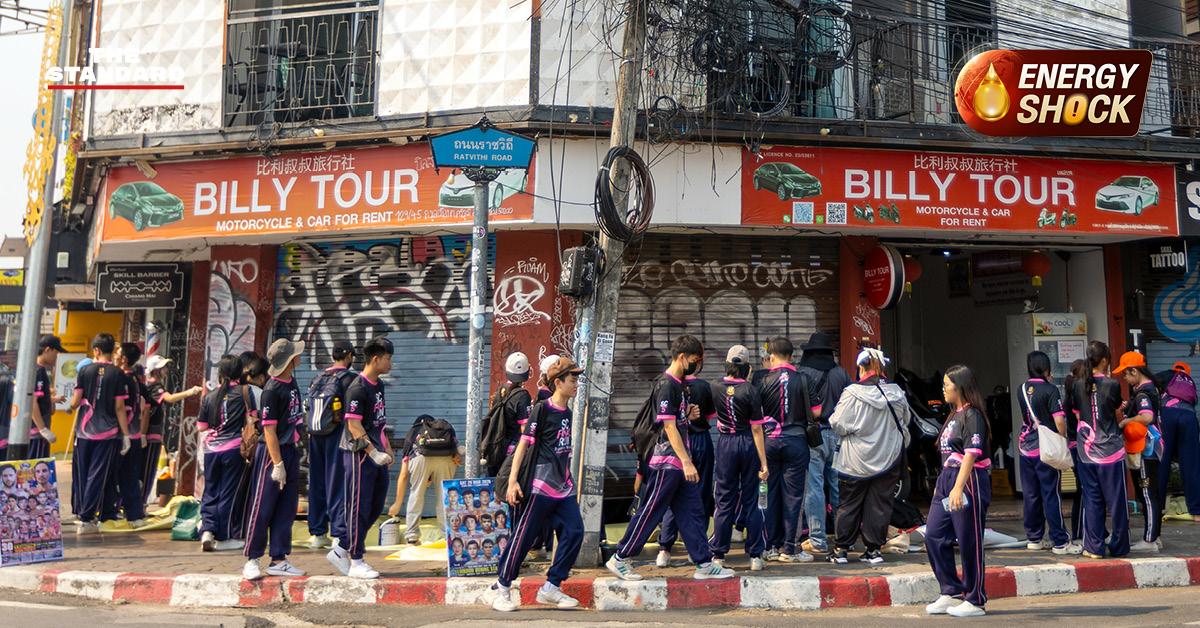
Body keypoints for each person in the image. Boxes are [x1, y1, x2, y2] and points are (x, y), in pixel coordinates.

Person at [606, 335, 735, 581]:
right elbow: (668, 427)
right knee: (651, 510)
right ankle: (620, 557)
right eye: (695, 360)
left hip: (677, 462)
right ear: (683, 357)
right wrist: (687, 461)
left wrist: (686, 412)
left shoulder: (678, 384)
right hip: (667, 462)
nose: (697, 366)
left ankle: (704, 563)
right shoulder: (667, 384)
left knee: (692, 511)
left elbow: (675, 419)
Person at [491, 357, 586, 612]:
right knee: (524, 537)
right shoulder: (541, 409)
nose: (577, 384)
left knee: (575, 531)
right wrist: (512, 482)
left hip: (563, 487)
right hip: (540, 486)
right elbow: (524, 444)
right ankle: (502, 588)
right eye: (573, 379)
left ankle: (552, 587)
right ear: (558, 383)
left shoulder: (568, 411)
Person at [827, 348, 909, 565]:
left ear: (861, 368)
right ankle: (874, 551)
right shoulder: (897, 392)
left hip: (855, 460)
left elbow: (837, 423)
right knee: (880, 505)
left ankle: (841, 550)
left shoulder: (852, 393)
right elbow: (904, 421)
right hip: (889, 457)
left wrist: (857, 428)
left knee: (849, 504)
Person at [925, 365, 992, 618]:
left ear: (960, 387)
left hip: (968, 479)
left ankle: (975, 599)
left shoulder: (972, 415)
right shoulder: (954, 414)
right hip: (948, 479)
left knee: (968, 540)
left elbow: (971, 455)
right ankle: (950, 590)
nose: (943, 388)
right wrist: (941, 486)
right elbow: (948, 455)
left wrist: (957, 486)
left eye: (947, 384)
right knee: (934, 535)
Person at [328, 336, 395, 579]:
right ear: (375, 359)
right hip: (358, 455)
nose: (391, 364)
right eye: (388, 359)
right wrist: (373, 452)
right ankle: (356, 560)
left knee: (375, 505)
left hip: (377, 454)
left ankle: (342, 548)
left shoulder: (379, 385)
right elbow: (354, 425)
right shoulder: (358, 387)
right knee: (359, 507)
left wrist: (387, 449)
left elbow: (380, 422)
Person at [243, 338, 308, 581]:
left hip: (290, 450)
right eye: (296, 354)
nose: (300, 356)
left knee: (286, 508)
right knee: (262, 506)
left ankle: (279, 559)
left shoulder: (292, 381)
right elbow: (268, 431)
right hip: (272, 454)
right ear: (289, 361)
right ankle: (252, 558)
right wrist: (277, 464)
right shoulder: (272, 390)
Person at [756, 336, 821, 562]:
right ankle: (790, 549)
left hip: (769, 443)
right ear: (792, 356)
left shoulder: (762, 380)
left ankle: (771, 547)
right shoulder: (803, 378)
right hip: (796, 442)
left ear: (771, 356)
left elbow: (755, 415)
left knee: (770, 494)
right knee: (794, 496)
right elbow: (817, 411)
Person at [707, 345, 769, 570]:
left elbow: (708, 415)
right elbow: (756, 430)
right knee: (752, 499)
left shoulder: (714, 386)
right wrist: (764, 461)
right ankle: (754, 556)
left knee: (724, 499)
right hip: (748, 444)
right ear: (747, 368)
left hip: (725, 444)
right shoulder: (751, 390)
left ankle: (718, 555)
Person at [656, 353, 717, 568]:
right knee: (699, 496)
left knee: (674, 497)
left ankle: (665, 549)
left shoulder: (673, 386)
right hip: (698, 441)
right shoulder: (701, 386)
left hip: (680, 442)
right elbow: (709, 417)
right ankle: (696, 551)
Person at [1071, 341, 1129, 559]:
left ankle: (1093, 547)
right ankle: (1120, 546)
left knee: (1092, 499)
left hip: (1085, 451)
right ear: (1104, 360)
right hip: (1110, 452)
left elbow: (1078, 414)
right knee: (1117, 501)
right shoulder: (1112, 385)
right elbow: (1114, 410)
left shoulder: (1077, 385)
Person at [796, 331, 852, 555]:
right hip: (838, 436)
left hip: (813, 435)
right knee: (839, 487)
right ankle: (843, 537)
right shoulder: (842, 373)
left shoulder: (802, 373)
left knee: (814, 487)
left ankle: (818, 539)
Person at [69, 333, 131, 536]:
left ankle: (82, 515)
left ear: (96, 350)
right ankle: (87, 518)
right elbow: (120, 407)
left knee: (82, 474)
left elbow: (76, 401)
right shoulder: (117, 373)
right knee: (97, 475)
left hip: (84, 433)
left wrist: (70, 406)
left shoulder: (85, 370)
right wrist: (126, 435)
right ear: (111, 350)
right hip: (108, 434)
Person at [1016, 351, 1076, 555]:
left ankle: (1034, 538)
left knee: (1031, 495)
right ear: (1046, 368)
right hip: (1046, 450)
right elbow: (1059, 421)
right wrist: (1062, 440)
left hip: (1026, 448)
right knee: (1051, 495)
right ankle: (1060, 541)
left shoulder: (1021, 389)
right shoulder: (1050, 390)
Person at [306, 340, 359, 550]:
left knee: (317, 483)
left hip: (315, 436)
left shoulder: (317, 378)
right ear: (348, 356)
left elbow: (308, 410)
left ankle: (318, 534)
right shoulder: (350, 379)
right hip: (337, 437)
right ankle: (338, 533)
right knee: (337, 484)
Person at [197, 355, 253, 552]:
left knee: (210, 491)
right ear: (240, 372)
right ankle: (223, 538)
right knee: (228, 493)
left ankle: (207, 531)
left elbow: (201, 427)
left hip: (211, 450)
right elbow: (252, 420)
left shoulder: (210, 396)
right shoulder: (244, 393)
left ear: (220, 372)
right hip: (233, 449)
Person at [1113, 351, 1163, 552]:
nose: (1124, 378)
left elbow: (1147, 416)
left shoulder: (1143, 393)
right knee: (1152, 493)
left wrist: (1126, 420)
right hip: (1152, 448)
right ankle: (1155, 535)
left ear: (1135, 371)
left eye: (1125, 373)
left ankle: (1149, 541)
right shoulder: (1149, 389)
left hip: (1144, 449)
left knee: (1146, 493)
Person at [141, 355, 203, 504]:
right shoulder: (154, 387)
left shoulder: (155, 386)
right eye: (164, 367)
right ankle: (141, 503)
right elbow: (168, 399)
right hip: (150, 433)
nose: (166, 370)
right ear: (156, 371)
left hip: (153, 432)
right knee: (147, 470)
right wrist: (189, 392)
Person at [392, 413, 460, 545]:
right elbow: (454, 455)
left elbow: (404, 474)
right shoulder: (444, 430)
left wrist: (397, 503)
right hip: (446, 459)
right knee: (445, 496)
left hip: (420, 458)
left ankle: (412, 536)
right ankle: (449, 535)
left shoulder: (413, 433)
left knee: (417, 493)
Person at [110, 342, 146, 527]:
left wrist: (124, 434)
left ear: (123, 359)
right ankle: (135, 515)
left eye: (117, 353)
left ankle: (110, 513)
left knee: (113, 476)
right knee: (130, 476)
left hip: (123, 435)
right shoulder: (137, 380)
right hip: (135, 434)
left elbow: (120, 408)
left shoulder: (121, 378)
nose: (114, 356)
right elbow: (142, 407)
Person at [1157, 364, 1200, 522]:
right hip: (1188, 416)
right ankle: (1197, 511)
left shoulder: (1168, 373)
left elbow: (1149, 384)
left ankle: (1158, 507)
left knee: (1162, 461)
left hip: (1168, 414)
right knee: (1191, 465)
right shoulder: (1191, 383)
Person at [484, 352, 533, 476]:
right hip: (512, 450)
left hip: (496, 447)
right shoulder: (523, 395)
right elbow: (524, 427)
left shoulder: (501, 391)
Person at [29, 335, 67, 460]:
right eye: (55, 353)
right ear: (47, 349)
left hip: (35, 432)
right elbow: (32, 402)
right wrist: (42, 429)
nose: (56, 357)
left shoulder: (35, 369)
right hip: (36, 433)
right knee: (37, 469)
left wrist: (50, 398)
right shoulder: (38, 371)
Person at [1061, 359, 1086, 543]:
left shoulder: (1069, 395)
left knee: (1083, 490)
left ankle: (1082, 531)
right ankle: (1079, 532)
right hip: (1081, 446)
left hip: (1073, 445)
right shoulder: (1078, 396)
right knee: (1085, 491)